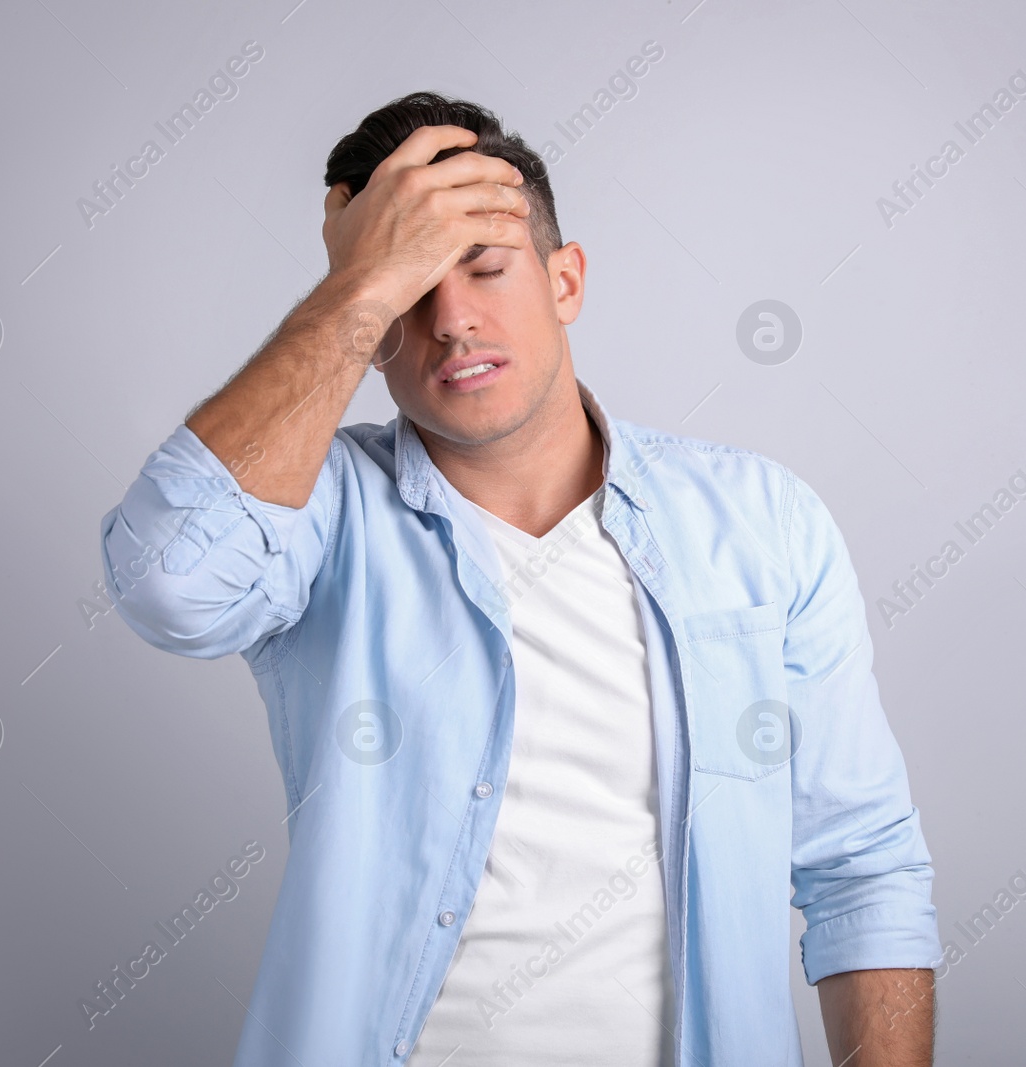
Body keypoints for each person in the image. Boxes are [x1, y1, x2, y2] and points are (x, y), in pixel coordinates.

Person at [100, 90, 940, 1066]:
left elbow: (862, 869)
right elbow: (167, 582)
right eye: (409, 287)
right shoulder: (318, 515)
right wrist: (352, 290)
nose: (450, 318)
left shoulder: (760, 522)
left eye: (485, 268)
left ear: (565, 280)